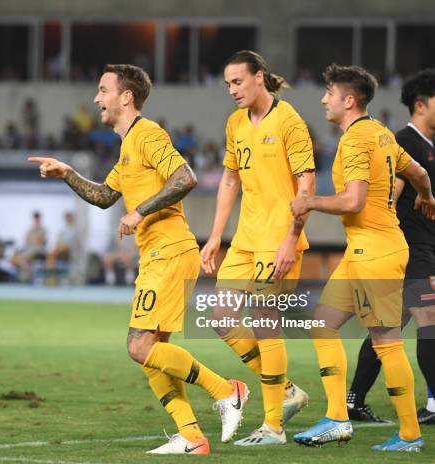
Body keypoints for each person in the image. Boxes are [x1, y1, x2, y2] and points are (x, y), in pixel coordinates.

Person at [30, 64, 248, 455]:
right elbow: (104, 196)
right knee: (152, 354)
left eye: (102, 90)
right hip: (157, 254)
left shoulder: (147, 134)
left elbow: (185, 178)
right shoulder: (128, 145)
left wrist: (141, 211)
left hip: (169, 251)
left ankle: (228, 391)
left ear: (125, 97)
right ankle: (193, 437)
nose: (96, 98)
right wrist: (66, 173)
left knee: (138, 347)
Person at [291, 64, 435, 452]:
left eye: (329, 92)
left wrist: (310, 201)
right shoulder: (381, 133)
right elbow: (420, 171)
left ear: (348, 100)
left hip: (376, 252)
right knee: (322, 324)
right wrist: (426, 196)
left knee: (386, 341)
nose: (324, 99)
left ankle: (409, 434)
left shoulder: (356, 140)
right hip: (363, 250)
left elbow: (353, 201)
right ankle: (337, 418)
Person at [200, 50, 315, 446]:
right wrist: (215, 235)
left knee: (266, 320)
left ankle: (274, 427)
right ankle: (285, 391)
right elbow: (230, 181)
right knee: (220, 317)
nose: (232, 90)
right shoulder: (235, 123)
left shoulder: (290, 121)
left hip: (279, 240)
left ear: (259, 77)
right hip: (245, 240)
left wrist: (291, 238)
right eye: (228, 84)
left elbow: (307, 187)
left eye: (238, 81)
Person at [346, 68, 435, 425]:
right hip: (412, 250)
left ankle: (353, 400)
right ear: (420, 104)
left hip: (423, 248)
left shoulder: (427, 147)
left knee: (387, 327)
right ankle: (433, 406)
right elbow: (388, 195)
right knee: (429, 321)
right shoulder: (404, 141)